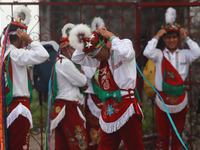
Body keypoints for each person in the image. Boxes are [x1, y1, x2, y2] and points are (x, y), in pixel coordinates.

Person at [69, 23, 144, 150]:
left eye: (98, 55)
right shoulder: (101, 58)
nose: (97, 59)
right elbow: (76, 58)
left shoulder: (124, 44)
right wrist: (90, 39)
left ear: (105, 44)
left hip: (126, 105)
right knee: (105, 147)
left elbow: (127, 53)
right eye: (95, 57)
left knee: (134, 146)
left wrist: (110, 36)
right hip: (108, 108)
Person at [143, 7, 200, 150]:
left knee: (177, 134)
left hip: (180, 98)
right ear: (164, 39)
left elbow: (197, 52)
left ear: (178, 38)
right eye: (168, 37)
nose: (172, 40)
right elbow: (147, 52)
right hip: (162, 99)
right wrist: (156, 36)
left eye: (175, 37)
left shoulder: (185, 54)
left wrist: (186, 37)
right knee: (162, 135)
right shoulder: (158, 54)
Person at [2, 6, 49, 149]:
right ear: (20, 38)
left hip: (6, 106)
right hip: (19, 107)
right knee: (19, 146)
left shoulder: (4, 54)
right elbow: (44, 55)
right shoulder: (16, 54)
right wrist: (30, 39)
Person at [50, 23, 88, 150]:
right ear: (65, 48)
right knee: (79, 144)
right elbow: (82, 81)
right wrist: (81, 77)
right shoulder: (65, 63)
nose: (76, 52)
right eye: (73, 48)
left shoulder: (59, 62)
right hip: (68, 109)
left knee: (63, 145)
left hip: (61, 108)